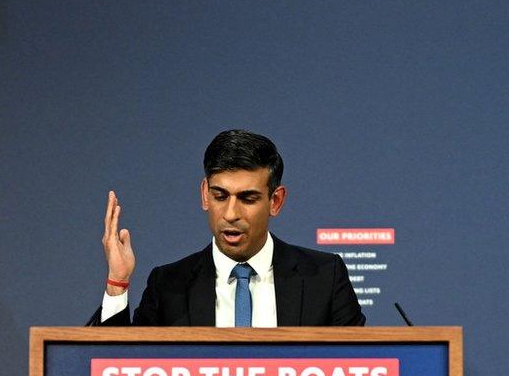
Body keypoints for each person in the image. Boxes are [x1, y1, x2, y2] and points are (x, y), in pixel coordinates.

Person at [94, 129, 364, 327]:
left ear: (276, 201)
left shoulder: (325, 278)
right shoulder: (168, 286)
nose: (231, 214)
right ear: (204, 195)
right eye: (220, 196)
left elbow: (358, 375)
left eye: (248, 198)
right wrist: (117, 284)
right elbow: (118, 373)